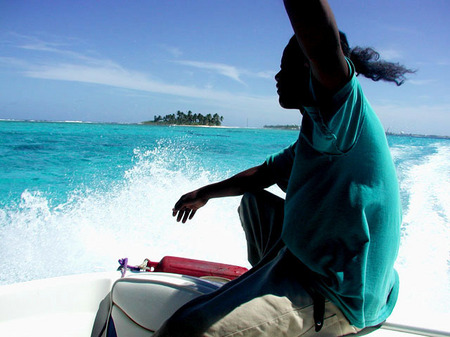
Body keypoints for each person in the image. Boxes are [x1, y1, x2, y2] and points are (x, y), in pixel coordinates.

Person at [155, 1, 414, 336]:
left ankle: (282, 305)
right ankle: (264, 282)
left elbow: (322, 43)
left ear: (313, 69)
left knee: (183, 329)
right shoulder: (317, 135)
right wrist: (203, 193)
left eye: (287, 67)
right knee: (253, 202)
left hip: (337, 291)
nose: (277, 76)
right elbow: (264, 174)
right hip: (317, 261)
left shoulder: (345, 119)